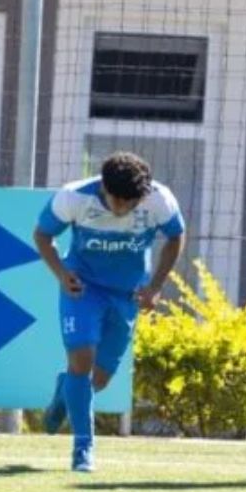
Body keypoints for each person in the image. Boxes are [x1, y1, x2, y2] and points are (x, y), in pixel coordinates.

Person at [32, 152, 186, 472]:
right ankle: (83, 449)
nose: (123, 209)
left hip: (126, 295)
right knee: (82, 361)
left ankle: (65, 392)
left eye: (131, 203)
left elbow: (175, 237)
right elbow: (42, 235)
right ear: (104, 186)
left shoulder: (160, 200)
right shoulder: (74, 197)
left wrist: (156, 286)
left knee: (98, 380)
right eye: (117, 201)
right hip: (83, 289)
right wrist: (61, 274)